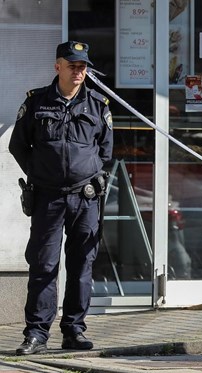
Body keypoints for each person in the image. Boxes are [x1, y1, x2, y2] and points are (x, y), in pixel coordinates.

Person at [9, 41, 113, 355]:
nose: (79, 72)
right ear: (58, 67)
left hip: (85, 197)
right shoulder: (37, 102)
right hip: (47, 197)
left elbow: (106, 152)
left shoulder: (98, 104)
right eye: (72, 66)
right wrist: (40, 174)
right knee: (43, 265)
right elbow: (18, 146)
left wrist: (90, 177)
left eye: (83, 66)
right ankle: (37, 334)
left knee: (82, 265)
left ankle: (74, 330)